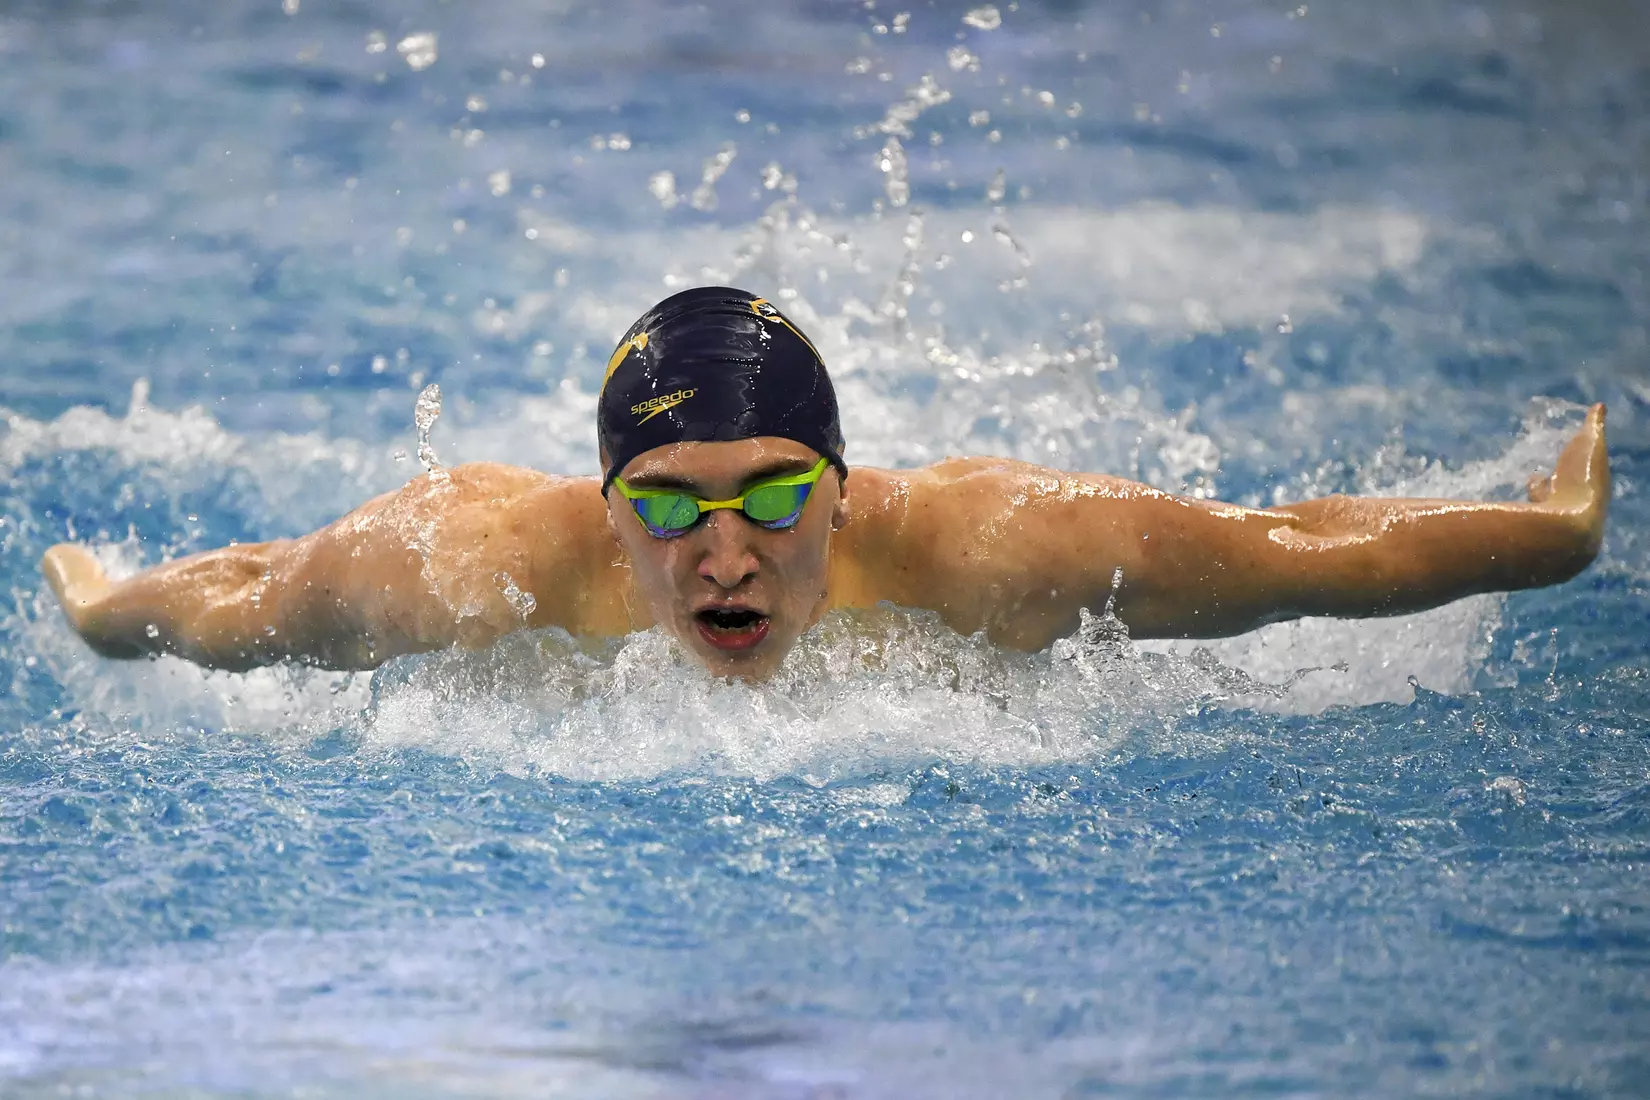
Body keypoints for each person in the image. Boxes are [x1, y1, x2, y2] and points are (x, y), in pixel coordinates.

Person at [42, 286, 1611, 682]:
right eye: (665, 502)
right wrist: (116, 615)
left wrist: (1543, 535)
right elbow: (258, 597)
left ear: (846, 492)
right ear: (604, 511)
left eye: (771, 493)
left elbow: (1294, 551)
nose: (722, 548)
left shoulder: (993, 554)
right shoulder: (471, 566)